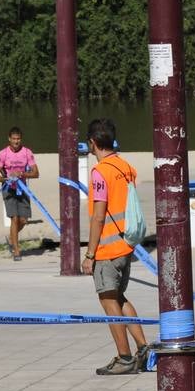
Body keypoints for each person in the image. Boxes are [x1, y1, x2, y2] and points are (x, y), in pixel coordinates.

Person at [81, 117, 150, 375]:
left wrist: (90, 254)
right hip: (125, 245)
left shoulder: (100, 172)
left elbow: (98, 216)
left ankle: (124, 358)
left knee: (109, 302)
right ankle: (143, 347)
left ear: (93, 143)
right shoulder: (125, 166)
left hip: (107, 250)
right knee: (120, 298)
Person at [0, 126, 39, 261]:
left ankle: (12, 237)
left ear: (21, 139)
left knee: (23, 220)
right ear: (9, 139)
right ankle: (16, 250)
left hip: (22, 188)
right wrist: (6, 178)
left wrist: (22, 174)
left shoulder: (27, 152)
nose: (16, 142)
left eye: (18, 139)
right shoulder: (3, 154)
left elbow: (36, 173)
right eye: (13, 139)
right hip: (9, 189)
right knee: (14, 218)